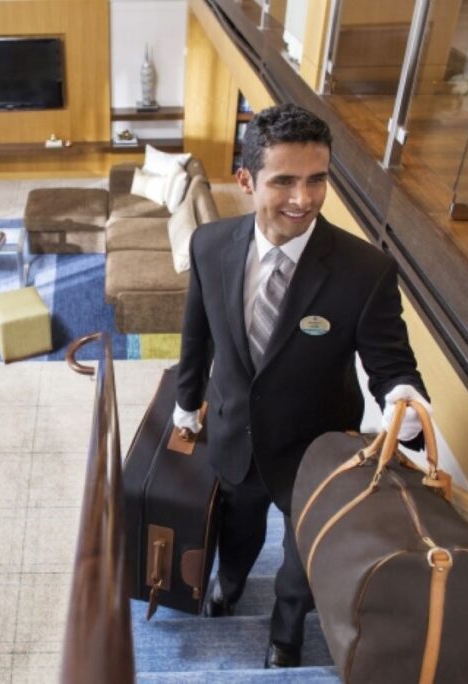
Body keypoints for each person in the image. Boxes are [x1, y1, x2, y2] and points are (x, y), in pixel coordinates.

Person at [173, 104, 429, 668]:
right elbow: (197, 334)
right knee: (237, 534)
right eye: (284, 180)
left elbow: (392, 364)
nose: (303, 198)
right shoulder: (210, 245)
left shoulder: (367, 270)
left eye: (317, 179)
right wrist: (185, 402)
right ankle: (230, 586)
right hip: (234, 438)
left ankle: (286, 636)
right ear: (246, 181)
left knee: (303, 558)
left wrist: (405, 399)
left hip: (317, 451)